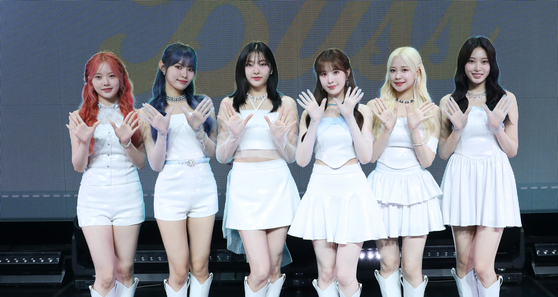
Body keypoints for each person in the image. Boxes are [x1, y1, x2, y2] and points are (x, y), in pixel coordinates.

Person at [288, 48, 386, 297]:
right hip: (321, 189)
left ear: (347, 73)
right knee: (326, 273)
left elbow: (366, 157)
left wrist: (348, 115)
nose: (329, 79)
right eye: (323, 74)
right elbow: (301, 160)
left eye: (335, 72)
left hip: (352, 188)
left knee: (344, 274)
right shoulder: (311, 113)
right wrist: (316, 120)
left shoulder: (363, 110)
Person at [216, 41, 300, 297]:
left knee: (274, 267)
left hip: (277, 183)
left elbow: (292, 156)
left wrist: (279, 138)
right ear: (242, 69)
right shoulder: (229, 104)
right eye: (250, 64)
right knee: (261, 269)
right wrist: (232, 136)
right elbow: (221, 157)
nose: (256, 69)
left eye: (262, 64)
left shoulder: (286, 103)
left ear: (271, 69)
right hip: (244, 186)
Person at [439, 36, 521, 297]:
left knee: (484, 266)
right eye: (471, 61)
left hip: (493, 179)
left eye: (484, 61)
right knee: (464, 264)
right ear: (463, 64)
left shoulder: (506, 99)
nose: (477, 67)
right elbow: (443, 153)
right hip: (461, 178)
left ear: (491, 65)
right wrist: (457, 130)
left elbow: (512, 150)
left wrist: (497, 128)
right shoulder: (449, 102)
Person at [139, 43, 217, 297]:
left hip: (203, 186)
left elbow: (215, 153)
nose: (184, 74)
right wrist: (162, 132)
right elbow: (155, 164)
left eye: (190, 68)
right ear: (163, 68)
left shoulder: (203, 105)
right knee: (180, 269)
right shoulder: (149, 111)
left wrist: (198, 130)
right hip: (171, 188)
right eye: (178, 66)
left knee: (200, 265)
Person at [366, 47, 444, 297]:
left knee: (411, 267)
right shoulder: (376, 106)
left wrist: (414, 129)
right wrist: (387, 128)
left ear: (417, 72)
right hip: (383, 188)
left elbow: (427, 160)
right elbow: (370, 157)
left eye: (404, 70)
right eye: (392, 70)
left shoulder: (431, 111)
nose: (397, 76)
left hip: (415, 189)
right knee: (388, 262)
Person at [67, 52, 144, 297]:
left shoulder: (136, 116)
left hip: (128, 195)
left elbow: (141, 162)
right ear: (89, 81)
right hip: (94, 199)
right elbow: (79, 166)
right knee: (107, 274)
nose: (106, 82)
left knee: (125, 270)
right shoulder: (80, 118)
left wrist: (125, 142)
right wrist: (84, 142)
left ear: (122, 79)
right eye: (98, 77)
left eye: (111, 75)